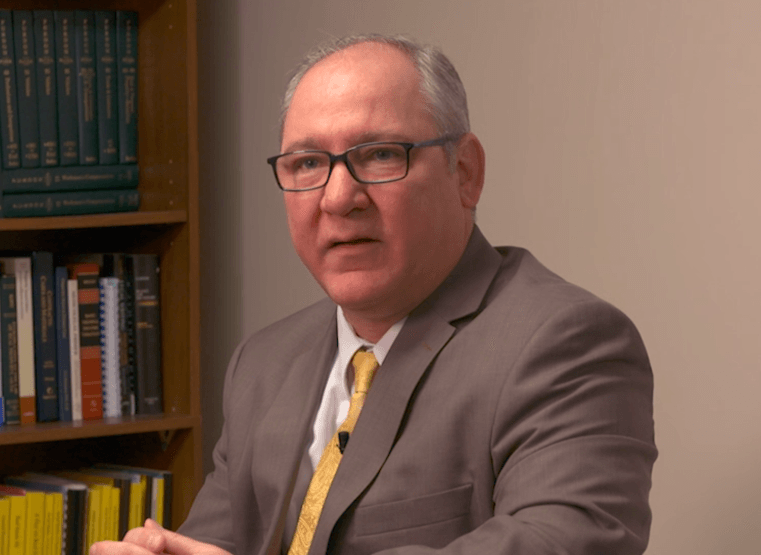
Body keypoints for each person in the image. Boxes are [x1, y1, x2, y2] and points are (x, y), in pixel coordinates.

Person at [92, 34, 656, 555]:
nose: (339, 197)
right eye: (308, 163)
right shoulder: (262, 364)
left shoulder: (566, 342)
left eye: (380, 154)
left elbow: (563, 543)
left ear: (466, 172)